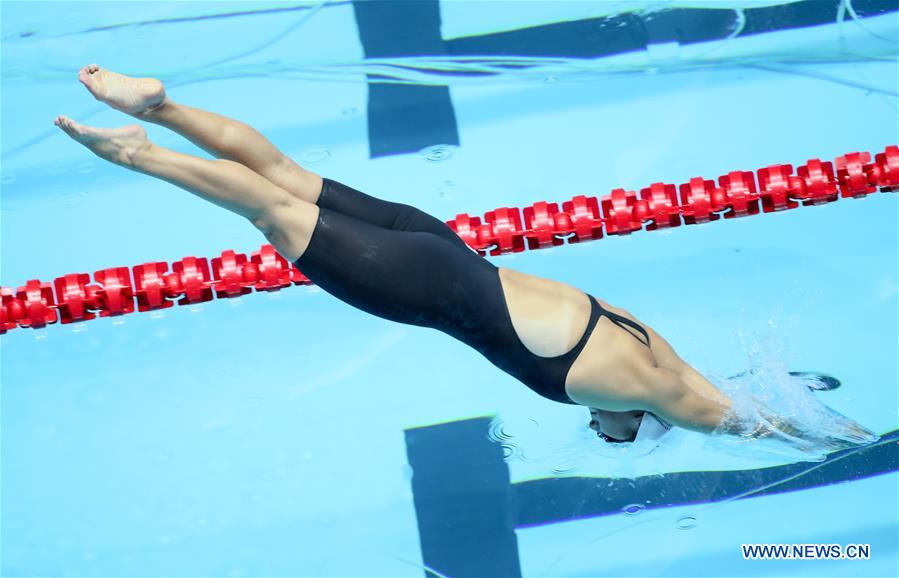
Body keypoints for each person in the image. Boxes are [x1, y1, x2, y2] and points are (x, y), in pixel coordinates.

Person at [55, 65, 877, 449]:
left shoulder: (655, 350)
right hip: (422, 283)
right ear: (639, 416)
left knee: (285, 175)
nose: (600, 430)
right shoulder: (670, 397)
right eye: (611, 434)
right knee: (271, 208)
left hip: (443, 245)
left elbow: (742, 392)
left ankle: (160, 105)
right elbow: (752, 420)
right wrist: (860, 446)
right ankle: (138, 152)